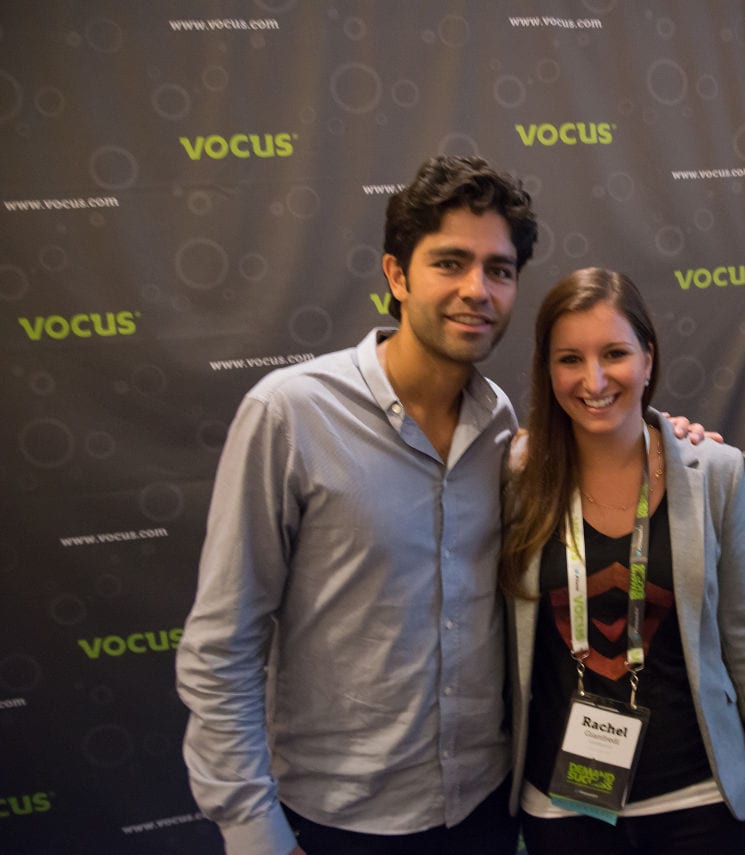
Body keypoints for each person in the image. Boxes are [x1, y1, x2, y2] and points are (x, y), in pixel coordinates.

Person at [175, 157, 710, 855]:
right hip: (343, 821)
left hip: (484, 805)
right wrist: (253, 832)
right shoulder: (291, 415)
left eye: (499, 269)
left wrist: (671, 441)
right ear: (397, 275)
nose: (476, 290)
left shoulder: (502, 429)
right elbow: (222, 645)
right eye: (450, 263)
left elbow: (610, 456)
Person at [500, 268, 745, 854]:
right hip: (564, 799)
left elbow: (743, 627)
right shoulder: (514, 477)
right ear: (547, 369)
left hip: (696, 794)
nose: (593, 380)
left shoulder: (713, 472)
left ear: (648, 358)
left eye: (614, 353)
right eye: (570, 359)